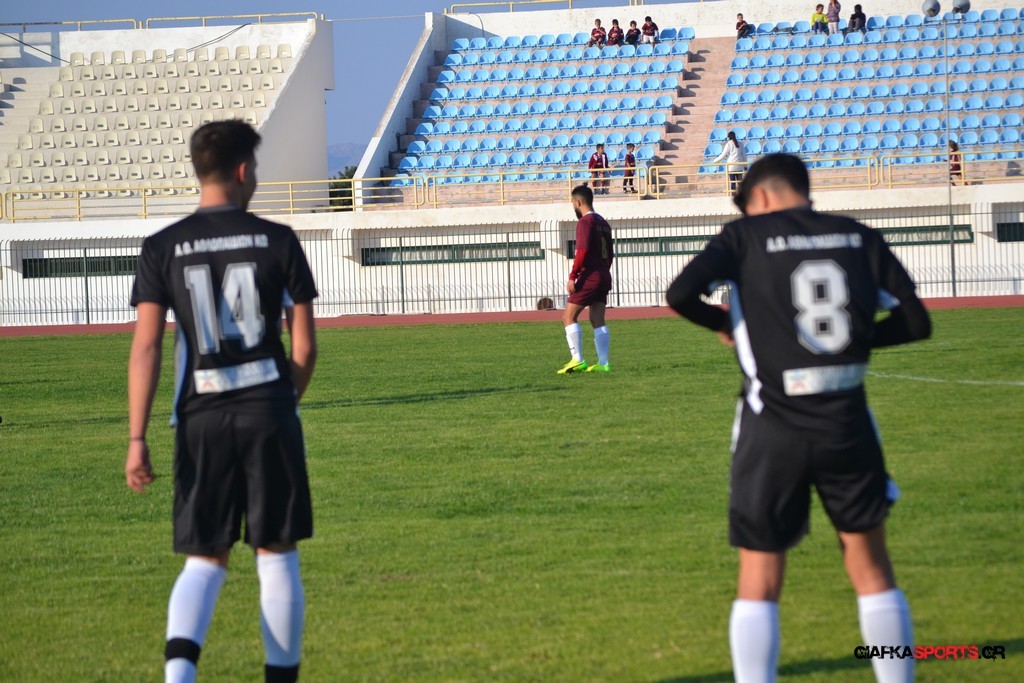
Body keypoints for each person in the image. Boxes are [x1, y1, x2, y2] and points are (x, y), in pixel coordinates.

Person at [665, 154, 930, 683]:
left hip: (771, 425)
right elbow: (916, 321)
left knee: (760, 574)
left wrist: (724, 323)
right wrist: (851, 344)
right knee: (871, 567)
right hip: (846, 422)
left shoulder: (743, 237)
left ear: (760, 196)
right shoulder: (857, 235)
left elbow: (678, 294)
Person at [126, 120, 319, 683]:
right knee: (276, 553)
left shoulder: (162, 246)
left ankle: (179, 676)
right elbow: (305, 347)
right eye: (253, 168)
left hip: (200, 418)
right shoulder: (279, 240)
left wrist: (136, 438)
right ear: (241, 170)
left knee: (205, 559)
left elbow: (146, 348)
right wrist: (278, 400)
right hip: (268, 412)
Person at [558, 184, 613, 374]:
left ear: (578, 202)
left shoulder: (585, 222)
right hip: (604, 275)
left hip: (590, 275)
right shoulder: (603, 222)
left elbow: (582, 250)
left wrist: (573, 276)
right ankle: (603, 363)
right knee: (597, 318)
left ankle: (577, 359)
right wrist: (603, 271)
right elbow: (610, 254)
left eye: (573, 203)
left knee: (568, 316)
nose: (573, 206)